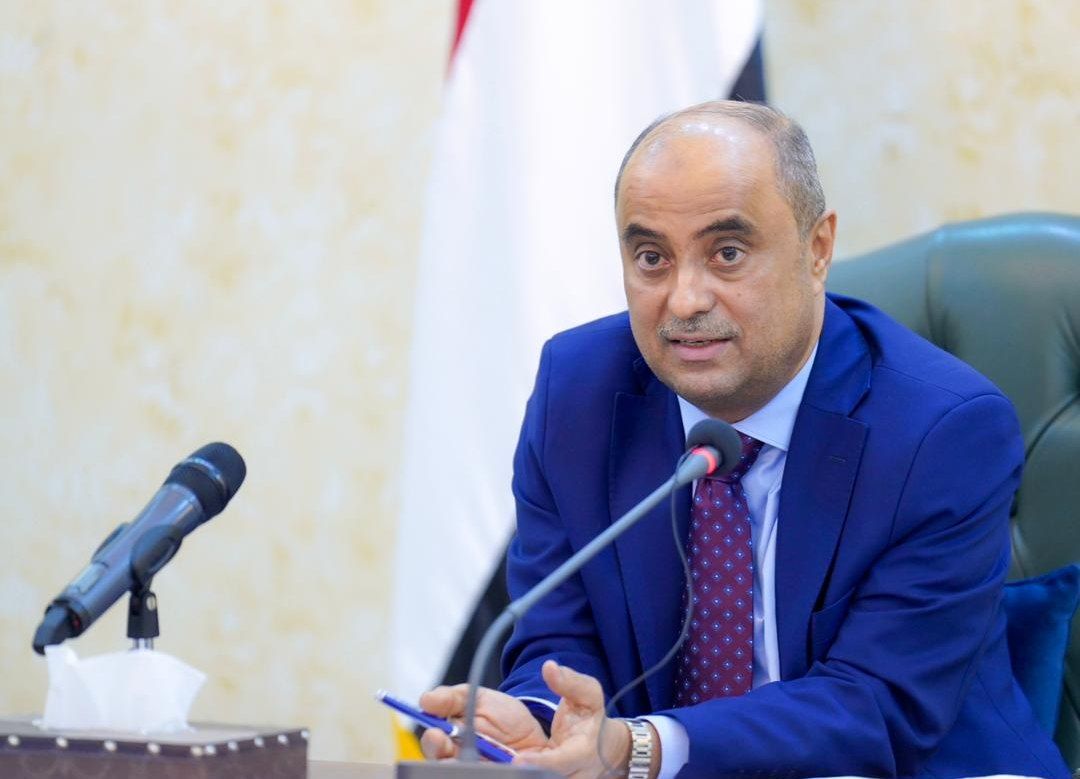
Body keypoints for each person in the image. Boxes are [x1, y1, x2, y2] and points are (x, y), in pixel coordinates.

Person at [418, 101, 1070, 779]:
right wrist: (542, 726)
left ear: (818, 249)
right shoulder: (577, 392)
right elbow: (558, 640)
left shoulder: (943, 430)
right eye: (651, 258)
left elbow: (880, 703)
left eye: (727, 253)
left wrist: (641, 747)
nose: (685, 300)